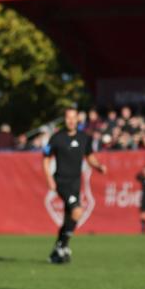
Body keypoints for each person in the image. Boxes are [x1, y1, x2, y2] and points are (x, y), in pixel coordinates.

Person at [42, 106, 107, 263]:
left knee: (68, 218)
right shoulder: (56, 138)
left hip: (76, 182)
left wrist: (98, 166)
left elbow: (89, 156)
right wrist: (49, 179)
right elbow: (46, 159)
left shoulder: (85, 138)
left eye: (73, 117)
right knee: (77, 211)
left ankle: (57, 250)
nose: (71, 121)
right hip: (61, 181)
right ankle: (62, 246)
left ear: (78, 119)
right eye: (68, 118)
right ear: (64, 120)